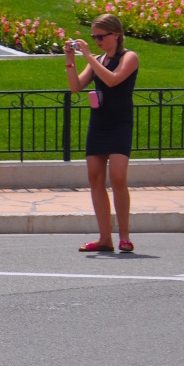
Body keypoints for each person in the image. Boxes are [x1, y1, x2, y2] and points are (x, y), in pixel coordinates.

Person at [67, 14, 139, 254]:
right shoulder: (97, 59)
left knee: (118, 179)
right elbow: (76, 87)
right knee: (95, 179)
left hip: (120, 123)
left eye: (101, 36)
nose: (96, 40)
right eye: (93, 37)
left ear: (116, 35)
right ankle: (105, 238)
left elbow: (113, 80)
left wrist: (88, 56)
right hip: (99, 123)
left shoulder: (129, 57)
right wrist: (70, 59)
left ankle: (125, 237)